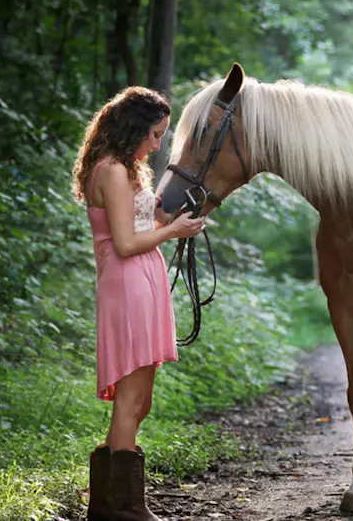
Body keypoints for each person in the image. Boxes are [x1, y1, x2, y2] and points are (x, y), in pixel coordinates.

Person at [71, 86, 205, 521]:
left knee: (140, 401)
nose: (158, 144)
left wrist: (175, 219)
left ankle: (107, 503)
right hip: (127, 282)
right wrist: (172, 233)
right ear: (133, 129)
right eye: (155, 134)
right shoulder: (110, 170)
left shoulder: (129, 169)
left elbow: (144, 220)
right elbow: (126, 243)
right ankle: (126, 506)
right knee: (130, 401)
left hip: (144, 281)